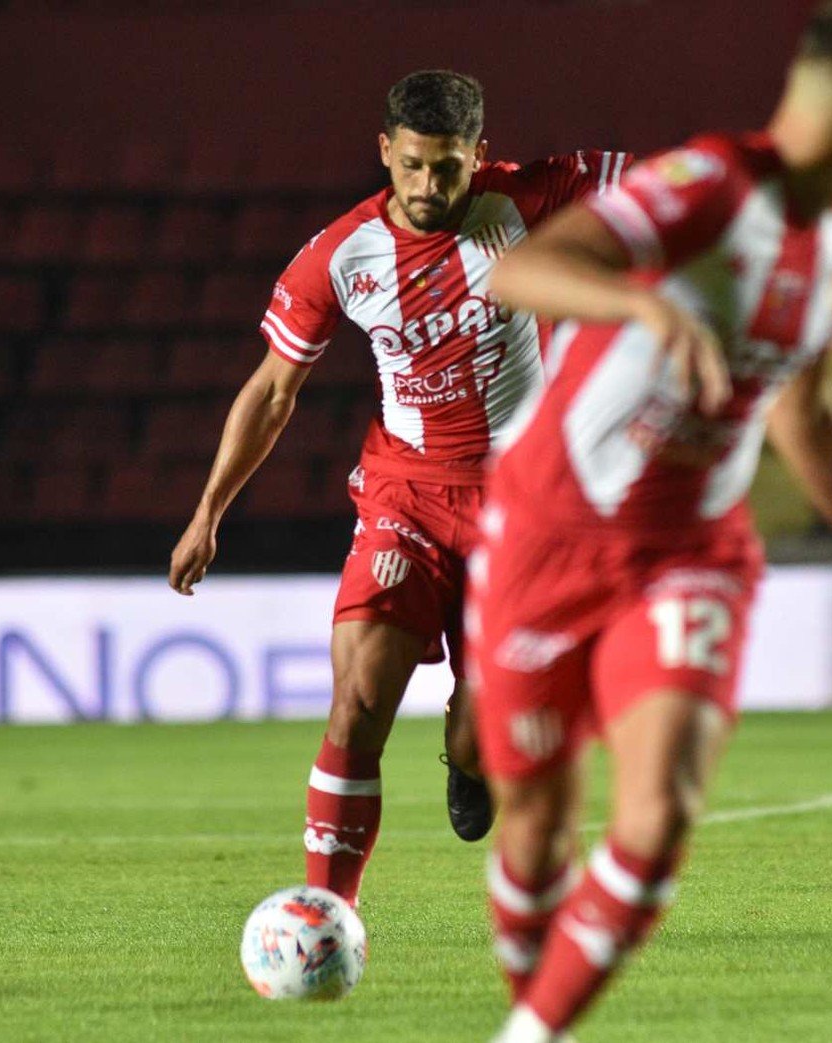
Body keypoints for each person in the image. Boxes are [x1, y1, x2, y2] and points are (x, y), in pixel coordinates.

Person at [470, 4, 832, 1039]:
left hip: (690, 552)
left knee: (655, 818)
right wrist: (646, 305)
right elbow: (516, 270)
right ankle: (534, 1011)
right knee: (531, 823)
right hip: (545, 529)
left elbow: (805, 412)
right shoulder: (707, 187)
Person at [166, 69, 633, 909]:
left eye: (447, 168)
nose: (427, 186)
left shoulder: (529, 197)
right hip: (404, 499)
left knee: (486, 727)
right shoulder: (340, 256)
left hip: (521, 510)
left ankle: (468, 752)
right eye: (412, 165)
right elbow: (273, 391)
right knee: (357, 701)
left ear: (477, 156)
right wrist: (207, 514)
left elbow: (675, 185)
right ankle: (323, 912)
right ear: (384, 152)